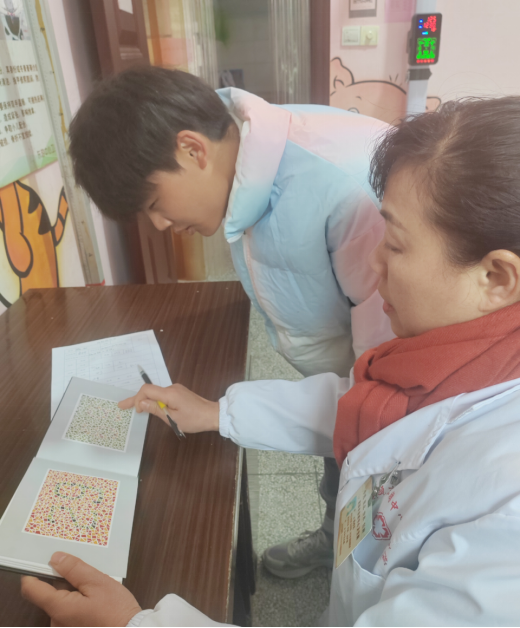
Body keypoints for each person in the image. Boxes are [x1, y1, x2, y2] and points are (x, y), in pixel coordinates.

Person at [22, 95, 520, 626]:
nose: (374, 262)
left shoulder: (503, 511)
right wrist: (219, 412)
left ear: (496, 277)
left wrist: (134, 624)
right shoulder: (458, 355)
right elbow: (374, 402)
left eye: (394, 244)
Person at [68, 66, 394, 576]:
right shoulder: (244, 164)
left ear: (192, 149)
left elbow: (384, 392)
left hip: (389, 400)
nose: (160, 225)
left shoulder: (345, 190)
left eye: (154, 204)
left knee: (373, 500)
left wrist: (221, 413)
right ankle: (334, 537)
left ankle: (354, 559)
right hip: (339, 373)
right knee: (340, 468)